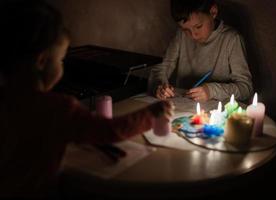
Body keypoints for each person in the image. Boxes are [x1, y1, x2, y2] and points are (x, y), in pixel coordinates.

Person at [0, 0, 173, 198]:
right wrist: (151, 113)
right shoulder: (57, 109)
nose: (62, 66)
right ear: (42, 61)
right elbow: (107, 130)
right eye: (61, 60)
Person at [148, 0, 253, 102]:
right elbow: (162, 68)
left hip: (216, 113)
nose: (193, 35)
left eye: (198, 27)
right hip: (182, 107)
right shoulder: (181, 36)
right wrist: (159, 86)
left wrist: (211, 91)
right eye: (186, 29)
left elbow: (245, 88)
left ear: (213, 12)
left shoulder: (232, 39)